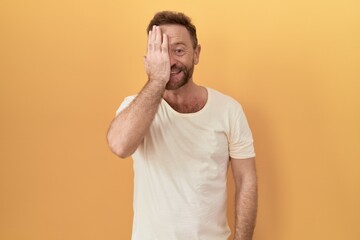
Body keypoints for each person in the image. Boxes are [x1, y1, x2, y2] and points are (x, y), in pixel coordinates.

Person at [107, 11, 257, 240]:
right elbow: (119, 146)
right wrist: (157, 79)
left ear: (196, 54)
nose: (171, 61)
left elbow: (246, 179)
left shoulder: (229, 110)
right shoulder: (135, 107)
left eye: (179, 50)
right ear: (149, 57)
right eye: (161, 51)